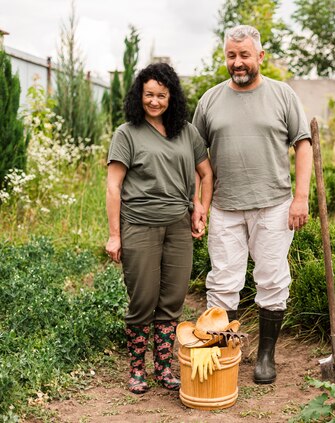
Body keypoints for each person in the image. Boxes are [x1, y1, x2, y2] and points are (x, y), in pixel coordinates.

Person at [192, 24, 312, 384]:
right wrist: (197, 204)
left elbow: (302, 144)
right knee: (223, 281)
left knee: (272, 280)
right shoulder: (210, 100)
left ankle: (265, 357)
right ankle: (225, 352)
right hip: (225, 207)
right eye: (232, 55)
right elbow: (197, 158)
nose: (238, 62)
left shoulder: (283, 95)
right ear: (225, 57)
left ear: (260, 56)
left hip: (274, 205)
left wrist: (301, 197)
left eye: (245, 55)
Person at [105, 62, 213, 394]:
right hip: (139, 226)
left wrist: (200, 208)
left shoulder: (186, 131)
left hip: (179, 227)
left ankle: (164, 368)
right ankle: (137, 369)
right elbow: (113, 186)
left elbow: (206, 174)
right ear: (140, 95)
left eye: (161, 95)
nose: (154, 101)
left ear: (171, 97)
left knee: (172, 300)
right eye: (149, 94)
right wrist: (114, 234)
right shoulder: (127, 133)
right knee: (143, 299)